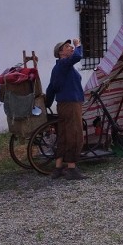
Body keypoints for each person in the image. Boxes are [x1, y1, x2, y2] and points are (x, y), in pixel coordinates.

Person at [44, 38, 88, 180]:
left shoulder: (59, 68)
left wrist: (47, 104)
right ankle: (71, 169)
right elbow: (77, 56)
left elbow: (51, 88)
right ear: (61, 53)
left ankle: (58, 168)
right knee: (75, 135)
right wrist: (78, 45)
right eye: (67, 47)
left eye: (71, 46)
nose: (71, 48)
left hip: (63, 105)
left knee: (63, 135)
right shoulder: (64, 64)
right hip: (71, 104)